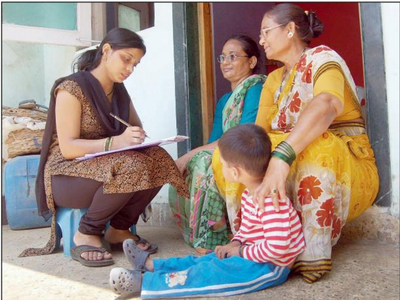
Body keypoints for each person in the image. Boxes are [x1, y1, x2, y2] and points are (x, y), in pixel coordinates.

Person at [212, 4, 379, 283]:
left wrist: (281, 156)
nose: (261, 40)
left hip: (346, 162)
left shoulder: (322, 57)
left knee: (318, 143)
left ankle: (311, 252)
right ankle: (250, 243)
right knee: (234, 152)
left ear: (289, 30)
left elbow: (326, 105)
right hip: (289, 157)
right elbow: (258, 133)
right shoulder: (274, 78)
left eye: (266, 31)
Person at [19, 28, 188, 267]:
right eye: (126, 59)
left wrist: (135, 135)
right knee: (131, 164)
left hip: (105, 165)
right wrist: (115, 142)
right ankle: (87, 232)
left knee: (158, 158)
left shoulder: (118, 91)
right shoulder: (71, 88)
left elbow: (134, 127)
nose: (129, 69)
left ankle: (118, 229)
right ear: (106, 51)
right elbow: (68, 148)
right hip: (65, 174)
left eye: (135, 64)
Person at [109, 124, 305, 298]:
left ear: (235, 172)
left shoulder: (271, 202)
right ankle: (153, 266)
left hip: (270, 267)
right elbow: (248, 229)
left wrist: (240, 251)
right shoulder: (250, 193)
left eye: (222, 164)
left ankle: (146, 283)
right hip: (252, 254)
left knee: (209, 274)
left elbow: (277, 248)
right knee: (205, 260)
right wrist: (234, 244)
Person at [169, 35, 266, 253]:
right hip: (227, 149)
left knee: (201, 161)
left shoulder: (256, 89)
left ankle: (213, 238)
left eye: (233, 56)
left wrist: (188, 155)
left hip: (248, 150)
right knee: (196, 162)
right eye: (222, 57)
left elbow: (245, 133)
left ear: (251, 62)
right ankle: (198, 232)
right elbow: (216, 140)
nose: (225, 62)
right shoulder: (224, 100)